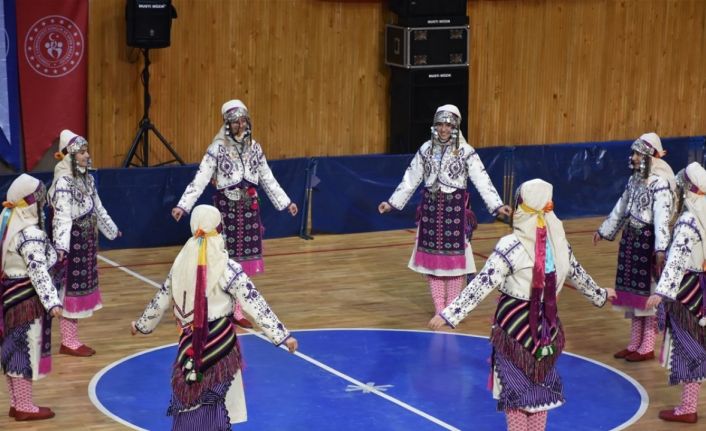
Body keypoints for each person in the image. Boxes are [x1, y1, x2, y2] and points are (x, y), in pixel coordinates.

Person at [429, 179, 615, 431]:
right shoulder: (559, 243)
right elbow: (579, 275)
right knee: (539, 395)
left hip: (514, 330)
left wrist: (451, 313)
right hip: (546, 329)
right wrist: (600, 295)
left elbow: (482, 283)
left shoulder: (512, 245)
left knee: (515, 395)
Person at [131, 205, 298, 430]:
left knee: (193, 402)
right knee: (222, 406)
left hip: (189, 346)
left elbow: (160, 299)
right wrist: (282, 335)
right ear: (219, 230)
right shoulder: (227, 267)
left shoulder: (180, 264)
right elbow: (254, 302)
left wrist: (141, 325)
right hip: (221, 348)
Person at [171, 100, 298, 329]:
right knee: (224, 258)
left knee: (241, 261)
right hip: (226, 211)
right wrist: (183, 205)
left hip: (249, 211)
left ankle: (237, 308)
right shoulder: (217, 149)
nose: (240, 125)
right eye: (235, 121)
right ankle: (219, 305)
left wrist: (285, 202)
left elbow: (267, 178)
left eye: (243, 120)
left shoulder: (255, 148)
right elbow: (200, 179)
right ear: (227, 124)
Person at [379, 104, 511, 315]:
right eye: (440, 124)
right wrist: (392, 202)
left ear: (456, 126)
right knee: (434, 265)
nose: (443, 129)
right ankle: (440, 307)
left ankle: (452, 308)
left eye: (448, 125)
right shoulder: (426, 149)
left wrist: (497, 205)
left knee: (456, 264)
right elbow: (411, 178)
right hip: (431, 211)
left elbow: (482, 179)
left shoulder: (466, 152)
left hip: (455, 212)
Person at [593, 132, 676, 362]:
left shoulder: (659, 185)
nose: (634, 157)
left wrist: (660, 248)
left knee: (646, 295)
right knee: (632, 296)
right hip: (631, 241)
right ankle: (634, 343)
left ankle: (647, 346)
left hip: (647, 244)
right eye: (634, 153)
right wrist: (604, 229)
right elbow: (622, 207)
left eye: (638, 153)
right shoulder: (635, 180)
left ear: (649, 155)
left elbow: (662, 217)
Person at [48, 129, 121, 357]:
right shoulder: (63, 183)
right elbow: (61, 216)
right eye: (81, 152)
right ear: (70, 155)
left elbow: (97, 207)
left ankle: (71, 339)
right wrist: (61, 246)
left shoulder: (87, 179)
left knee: (77, 291)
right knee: (68, 292)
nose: (87, 155)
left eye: (86, 151)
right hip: (73, 244)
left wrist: (111, 229)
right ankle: (68, 342)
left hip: (86, 244)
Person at [647, 162, 706, 424]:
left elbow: (677, 260)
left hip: (687, 292)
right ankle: (688, 404)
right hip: (702, 286)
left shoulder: (688, 221)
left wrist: (662, 292)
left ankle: (688, 408)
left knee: (688, 347)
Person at [1, 174, 63, 421]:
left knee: (13, 350)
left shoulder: (7, 224)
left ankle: (18, 403)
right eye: (40, 200)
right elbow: (38, 270)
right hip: (27, 300)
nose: (44, 205)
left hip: (8, 297)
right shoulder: (30, 234)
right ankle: (25, 407)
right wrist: (52, 302)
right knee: (25, 350)